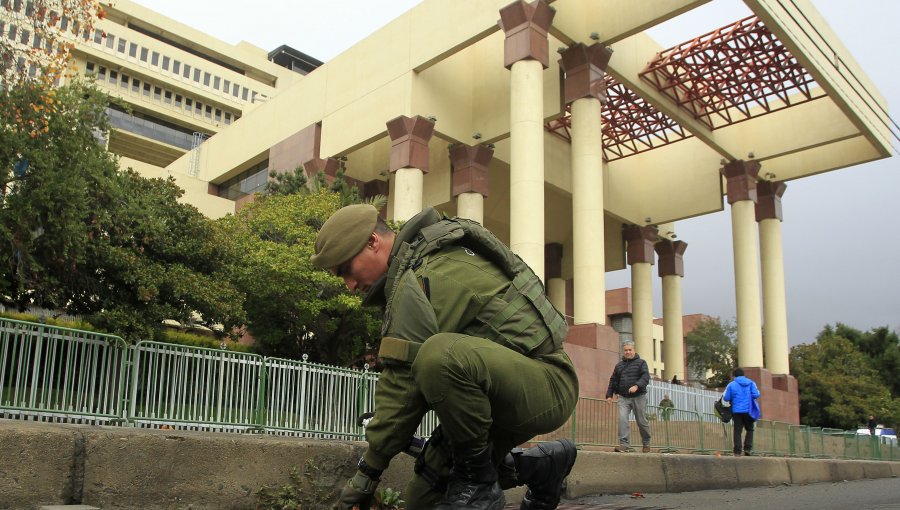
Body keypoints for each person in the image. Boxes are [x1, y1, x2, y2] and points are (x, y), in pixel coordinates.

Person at [312, 204, 579, 510]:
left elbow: (403, 388)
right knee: (422, 500)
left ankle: (478, 484)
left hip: (545, 384)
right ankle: (541, 466)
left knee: (438, 355)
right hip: (501, 393)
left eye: (346, 269)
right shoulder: (418, 265)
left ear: (373, 242)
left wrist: (366, 476)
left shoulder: (427, 275)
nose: (349, 285)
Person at [605, 341, 652, 453]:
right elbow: (613, 380)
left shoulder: (641, 363)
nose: (628, 352)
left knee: (641, 421)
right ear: (623, 351)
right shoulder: (619, 365)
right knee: (623, 420)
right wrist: (609, 395)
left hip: (639, 396)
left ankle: (646, 443)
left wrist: (637, 386)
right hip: (623, 397)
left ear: (634, 350)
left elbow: (646, 377)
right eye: (626, 350)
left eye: (630, 350)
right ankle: (624, 444)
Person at [722, 368, 760, 456]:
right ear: (743, 375)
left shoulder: (731, 384)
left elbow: (726, 398)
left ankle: (737, 451)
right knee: (750, 429)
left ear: (734, 376)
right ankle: (747, 448)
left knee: (737, 431)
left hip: (737, 411)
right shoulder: (751, 383)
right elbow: (756, 394)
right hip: (748, 410)